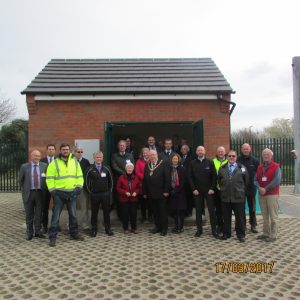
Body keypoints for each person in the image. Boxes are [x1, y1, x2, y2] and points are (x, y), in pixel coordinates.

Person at [46, 143, 84, 247]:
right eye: (63, 149)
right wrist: (53, 191)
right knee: (56, 216)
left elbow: (80, 176)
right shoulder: (54, 163)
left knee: (73, 215)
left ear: (69, 150)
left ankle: (74, 233)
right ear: (60, 150)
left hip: (72, 193)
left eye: (67, 149)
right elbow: (49, 178)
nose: (65, 151)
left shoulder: (75, 162)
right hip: (59, 194)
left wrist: (79, 187)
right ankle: (52, 237)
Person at [218, 150, 249, 243]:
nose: (231, 157)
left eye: (233, 156)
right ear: (227, 157)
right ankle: (226, 233)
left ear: (236, 157)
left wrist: (241, 191)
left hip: (238, 196)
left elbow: (246, 181)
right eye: (230, 156)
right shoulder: (222, 168)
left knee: (239, 217)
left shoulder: (242, 167)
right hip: (226, 196)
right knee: (226, 217)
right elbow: (219, 181)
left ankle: (241, 235)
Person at [188, 146, 218, 238]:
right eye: (198, 150)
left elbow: (214, 176)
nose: (200, 152)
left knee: (211, 211)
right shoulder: (192, 163)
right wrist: (194, 189)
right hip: (197, 192)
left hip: (208, 191)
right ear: (196, 152)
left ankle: (214, 231)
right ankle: (199, 230)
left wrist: (212, 188)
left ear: (204, 151)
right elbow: (190, 177)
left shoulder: (210, 161)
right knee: (198, 211)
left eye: (202, 150)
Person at [19, 150, 48, 240]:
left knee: (39, 214)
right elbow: (20, 180)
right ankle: (29, 232)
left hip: (40, 193)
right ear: (31, 156)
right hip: (29, 193)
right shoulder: (24, 167)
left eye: (38, 156)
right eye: (35, 156)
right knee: (29, 214)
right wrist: (24, 191)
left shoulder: (45, 166)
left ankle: (38, 232)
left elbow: (47, 179)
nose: (37, 157)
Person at [254, 148, 281, 242]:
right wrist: (259, 188)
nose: (265, 156)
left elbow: (277, 181)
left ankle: (273, 235)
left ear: (271, 156)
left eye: (267, 154)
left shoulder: (276, 166)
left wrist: (265, 189)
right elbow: (255, 180)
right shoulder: (260, 167)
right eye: (264, 154)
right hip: (262, 195)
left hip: (272, 195)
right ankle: (266, 233)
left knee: (273, 216)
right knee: (264, 215)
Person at [85, 151, 114, 237]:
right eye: (97, 157)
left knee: (106, 212)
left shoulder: (107, 168)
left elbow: (111, 181)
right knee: (94, 212)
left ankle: (108, 228)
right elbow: (86, 182)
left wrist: (109, 192)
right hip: (95, 195)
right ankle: (94, 229)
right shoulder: (89, 169)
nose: (99, 159)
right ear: (94, 158)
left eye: (100, 157)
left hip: (105, 194)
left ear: (102, 158)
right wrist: (90, 192)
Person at [143, 149, 171, 236]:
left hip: (162, 193)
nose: (152, 157)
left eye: (154, 155)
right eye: (150, 155)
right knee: (155, 212)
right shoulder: (147, 165)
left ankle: (164, 229)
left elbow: (167, 179)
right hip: (151, 193)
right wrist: (145, 192)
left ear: (157, 155)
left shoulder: (163, 164)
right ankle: (157, 227)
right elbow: (144, 180)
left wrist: (166, 191)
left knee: (162, 211)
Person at [237, 143, 259, 233]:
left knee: (252, 208)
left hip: (251, 188)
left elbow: (259, 174)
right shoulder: (237, 160)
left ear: (250, 149)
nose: (245, 150)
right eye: (244, 149)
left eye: (247, 149)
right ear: (241, 150)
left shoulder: (255, 161)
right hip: (240, 188)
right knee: (241, 208)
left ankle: (253, 225)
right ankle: (242, 225)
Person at [116, 162, 140, 233]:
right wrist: (125, 192)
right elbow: (118, 188)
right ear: (126, 169)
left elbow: (138, 187)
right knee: (125, 214)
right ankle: (125, 228)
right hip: (124, 199)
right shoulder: (121, 177)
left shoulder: (136, 177)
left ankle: (134, 228)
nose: (129, 169)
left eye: (131, 168)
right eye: (128, 168)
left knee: (133, 214)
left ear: (133, 169)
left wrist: (136, 192)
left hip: (133, 199)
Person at [40, 144, 56, 233]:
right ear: (47, 150)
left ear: (55, 151)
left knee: (56, 207)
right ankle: (45, 226)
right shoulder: (42, 161)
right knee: (44, 207)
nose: (51, 150)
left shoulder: (58, 161)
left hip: (55, 188)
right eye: (49, 149)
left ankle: (55, 225)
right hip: (45, 188)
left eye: (52, 149)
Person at [74, 146, 90, 230]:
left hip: (83, 188)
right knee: (72, 207)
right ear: (74, 152)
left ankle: (84, 224)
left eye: (81, 152)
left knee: (84, 207)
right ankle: (72, 224)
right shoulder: (70, 161)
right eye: (78, 152)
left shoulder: (86, 161)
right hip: (72, 188)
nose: (80, 153)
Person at [169, 153, 187, 233]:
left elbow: (183, 182)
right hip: (172, 193)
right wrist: (171, 190)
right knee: (174, 211)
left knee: (180, 211)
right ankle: (176, 226)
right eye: (173, 159)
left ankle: (181, 227)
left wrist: (176, 190)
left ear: (178, 160)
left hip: (180, 193)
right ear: (171, 160)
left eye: (176, 159)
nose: (175, 160)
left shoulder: (182, 169)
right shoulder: (170, 169)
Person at [212, 146, 228, 234]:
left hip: (226, 189)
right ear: (217, 153)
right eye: (219, 151)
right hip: (216, 189)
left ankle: (226, 226)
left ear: (224, 152)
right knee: (218, 209)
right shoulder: (213, 161)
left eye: (222, 151)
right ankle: (219, 225)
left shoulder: (228, 161)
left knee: (226, 208)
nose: (220, 153)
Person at [135, 147, 152, 222]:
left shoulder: (152, 160)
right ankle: (143, 217)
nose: (145, 154)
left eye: (147, 152)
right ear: (142, 153)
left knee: (150, 202)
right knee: (143, 203)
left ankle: (150, 217)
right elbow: (137, 172)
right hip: (142, 185)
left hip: (151, 185)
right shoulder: (139, 161)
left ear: (149, 153)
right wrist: (145, 178)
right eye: (144, 152)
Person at [180, 144, 193, 217]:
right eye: (182, 149)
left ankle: (189, 211)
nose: (183, 150)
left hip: (188, 181)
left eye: (185, 149)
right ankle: (184, 211)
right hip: (182, 181)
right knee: (183, 197)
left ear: (188, 150)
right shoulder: (180, 157)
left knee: (189, 197)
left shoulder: (191, 158)